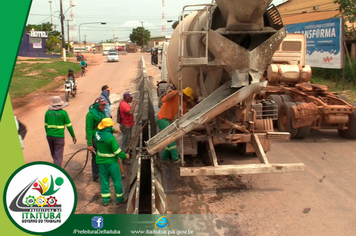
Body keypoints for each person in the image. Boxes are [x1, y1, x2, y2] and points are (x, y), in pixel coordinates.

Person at [156, 87, 196, 163]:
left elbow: (182, 115)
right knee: (172, 138)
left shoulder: (183, 103)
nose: (188, 98)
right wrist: (175, 92)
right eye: (188, 97)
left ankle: (164, 158)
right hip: (162, 118)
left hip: (168, 120)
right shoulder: (174, 95)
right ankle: (175, 159)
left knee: (170, 140)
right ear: (185, 94)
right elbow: (164, 99)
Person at [95, 118, 129, 206]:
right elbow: (117, 152)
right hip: (112, 163)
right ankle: (119, 199)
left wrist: (113, 130)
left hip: (101, 162)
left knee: (104, 181)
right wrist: (125, 156)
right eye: (111, 126)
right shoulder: (111, 139)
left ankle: (106, 200)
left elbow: (105, 132)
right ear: (107, 127)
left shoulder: (97, 134)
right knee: (117, 180)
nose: (112, 127)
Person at [86, 97, 121, 182]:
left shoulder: (103, 113)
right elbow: (89, 129)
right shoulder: (90, 115)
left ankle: (104, 173)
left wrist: (113, 130)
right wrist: (90, 144)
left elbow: (105, 126)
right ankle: (96, 175)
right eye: (102, 105)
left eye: (104, 105)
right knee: (96, 157)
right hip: (95, 139)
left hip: (103, 138)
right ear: (97, 105)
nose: (103, 106)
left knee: (105, 156)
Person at [45, 96, 77, 167]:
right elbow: (69, 126)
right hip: (59, 137)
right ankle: (57, 171)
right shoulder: (63, 113)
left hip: (49, 136)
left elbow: (45, 126)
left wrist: (49, 134)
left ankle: (56, 166)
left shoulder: (47, 113)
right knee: (58, 156)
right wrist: (73, 136)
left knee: (54, 154)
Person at [118, 91, 138, 164]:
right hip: (126, 126)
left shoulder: (124, 103)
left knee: (127, 140)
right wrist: (134, 104)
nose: (132, 98)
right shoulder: (124, 105)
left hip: (128, 125)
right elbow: (130, 112)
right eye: (130, 97)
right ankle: (124, 158)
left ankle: (127, 155)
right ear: (126, 98)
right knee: (125, 142)